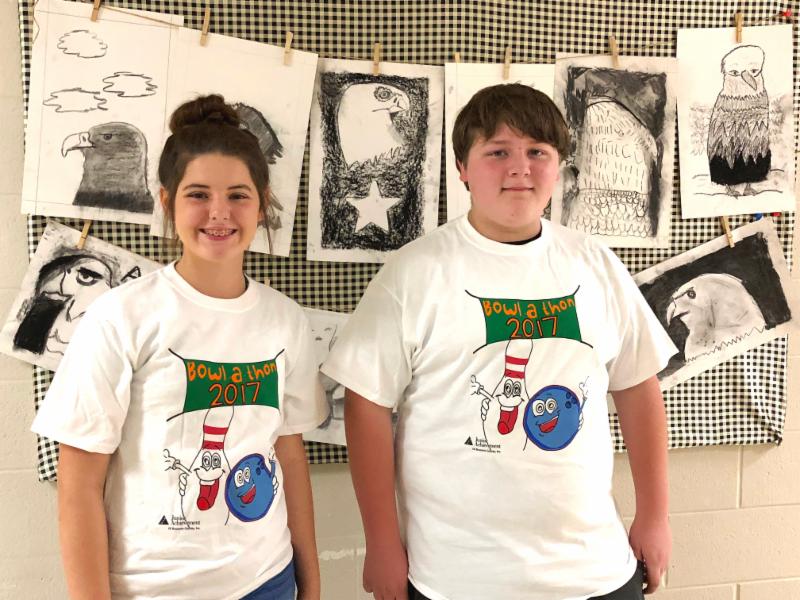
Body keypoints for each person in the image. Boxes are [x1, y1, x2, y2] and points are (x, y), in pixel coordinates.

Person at [321, 83, 677, 600]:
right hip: (455, 577)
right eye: (497, 153)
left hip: (593, 570)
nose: (519, 168)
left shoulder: (595, 264)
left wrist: (654, 516)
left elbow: (638, 387)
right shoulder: (414, 273)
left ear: (560, 166)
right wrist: (380, 541)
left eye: (538, 152)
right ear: (462, 167)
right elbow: (366, 405)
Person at [32, 94, 327, 600]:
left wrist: (311, 582)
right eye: (198, 195)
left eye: (238, 195)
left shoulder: (286, 320)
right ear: (167, 202)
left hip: (268, 580)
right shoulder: (121, 316)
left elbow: (289, 453)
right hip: (155, 588)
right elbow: (78, 485)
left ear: (262, 204)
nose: (219, 213)